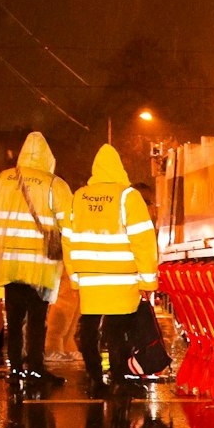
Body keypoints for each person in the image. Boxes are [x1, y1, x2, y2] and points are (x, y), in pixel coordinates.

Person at [0, 131, 72, 384]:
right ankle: (36, 367)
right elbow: (69, 226)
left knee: (14, 320)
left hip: (9, 265)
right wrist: (73, 261)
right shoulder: (54, 185)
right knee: (38, 320)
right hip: (41, 267)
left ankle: (15, 367)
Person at [68, 143, 159, 392]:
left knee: (88, 326)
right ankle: (119, 375)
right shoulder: (128, 197)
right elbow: (143, 240)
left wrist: (74, 276)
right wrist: (148, 281)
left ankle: (94, 375)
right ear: (120, 168)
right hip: (121, 278)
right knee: (117, 330)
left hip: (90, 278)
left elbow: (68, 238)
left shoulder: (79, 197)